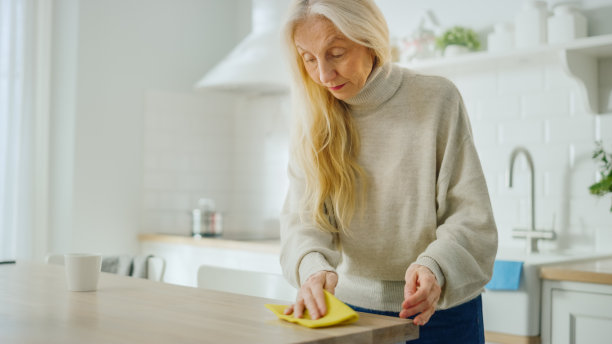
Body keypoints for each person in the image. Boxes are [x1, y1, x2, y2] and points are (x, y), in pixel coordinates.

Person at [279, 1, 498, 343]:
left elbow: (471, 218)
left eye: (336, 53)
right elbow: (302, 222)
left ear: (370, 40)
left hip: (439, 316)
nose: (323, 74)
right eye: (308, 58)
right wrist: (313, 269)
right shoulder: (312, 120)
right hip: (351, 315)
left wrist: (434, 267)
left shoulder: (437, 99)